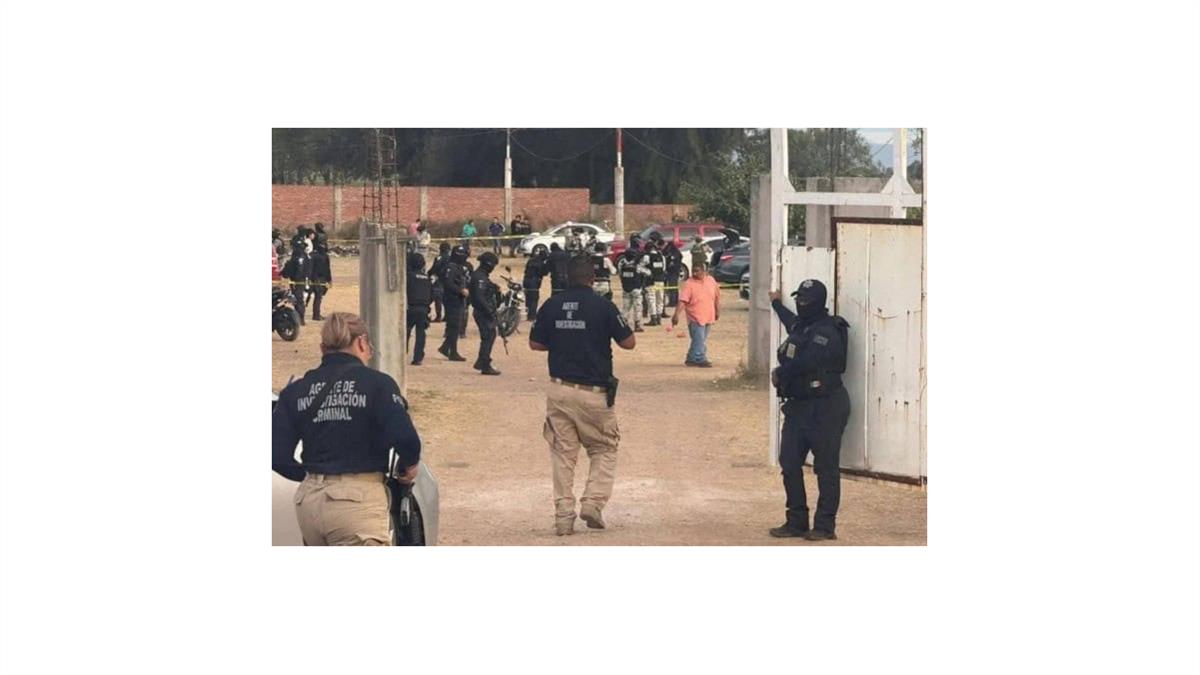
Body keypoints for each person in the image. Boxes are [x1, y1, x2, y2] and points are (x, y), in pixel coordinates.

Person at [272, 312, 422, 546]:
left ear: (322, 348)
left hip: (309, 501)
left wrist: (312, 476)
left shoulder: (296, 391)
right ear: (361, 343)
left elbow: (276, 455)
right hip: (356, 502)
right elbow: (406, 439)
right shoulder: (378, 385)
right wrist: (408, 466)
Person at [529, 256, 636, 535]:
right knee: (604, 448)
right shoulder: (604, 306)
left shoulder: (551, 305)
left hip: (559, 389)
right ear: (593, 279)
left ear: (566, 277)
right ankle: (593, 502)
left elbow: (535, 343)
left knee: (562, 455)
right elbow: (629, 342)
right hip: (594, 393)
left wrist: (562, 339)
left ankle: (563, 516)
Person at [768, 279, 851, 541]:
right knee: (789, 462)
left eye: (805, 300)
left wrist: (781, 372)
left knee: (826, 468)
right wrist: (776, 303)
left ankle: (825, 526)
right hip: (799, 407)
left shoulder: (827, 330)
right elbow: (790, 321)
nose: (800, 304)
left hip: (826, 406)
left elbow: (808, 360)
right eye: (798, 299)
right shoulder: (803, 326)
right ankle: (796, 521)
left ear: (817, 302)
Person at [670, 262, 720, 367]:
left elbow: (716, 297)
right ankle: (700, 358)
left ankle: (691, 358)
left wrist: (717, 310)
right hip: (695, 317)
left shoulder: (711, 281)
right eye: (693, 271)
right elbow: (683, 301)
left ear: (704, 271)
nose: (694, 273)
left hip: (709, 315)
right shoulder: (689, 284)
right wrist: (676, 314)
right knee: (699, 339)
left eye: (697, 271)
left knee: (700, 339)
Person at [469, 251, 502, 375]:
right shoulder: (479, 277)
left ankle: (482, 361)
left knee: (489, 336)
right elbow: (479, 297)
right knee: (488, 336)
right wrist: (489, 311)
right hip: (482, 312)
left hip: (484, 311)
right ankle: (484, 364)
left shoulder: (482, 276)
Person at [436, 245, 470, 362]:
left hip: (458, 300)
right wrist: (460, 290)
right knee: (454, 326)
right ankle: (452, 352)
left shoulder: (458, 267)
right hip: (452, 300)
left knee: (455, 326)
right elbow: (448, 283)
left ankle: (446, 348)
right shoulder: (451, 267)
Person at [406, 252, 433, 366]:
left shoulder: (408, 276)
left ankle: (402, 353)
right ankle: (418, 358)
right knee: (421, 333)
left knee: (405, 332)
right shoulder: (427, 278)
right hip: (423, 308)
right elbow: (431, 294)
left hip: (410, 307)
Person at [616, 246, 649, 333]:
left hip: (626, 289)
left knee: (625, 308)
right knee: (637, 308)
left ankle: (623, 325)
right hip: (636, 289)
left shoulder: (622, 265)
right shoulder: (637, 266)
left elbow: (620, 275)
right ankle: (637, 325)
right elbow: (648, 273)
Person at [280, 236, 311, 326]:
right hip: (303, 280)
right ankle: (299, 318)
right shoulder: (306, 256)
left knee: (298, 299)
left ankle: (300, 318)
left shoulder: (297, 257)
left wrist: (285, 272)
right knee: (299, 300)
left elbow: (290, 270)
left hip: (297, 281)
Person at [308, 234, 332, 321]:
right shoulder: (323, 256)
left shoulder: (312, 255)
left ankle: (316, 314)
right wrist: (329, 280)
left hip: (314, 278)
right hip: (319, 278)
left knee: (316, 297)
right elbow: (327, 269)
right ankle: (316, 315)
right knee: (318, 297)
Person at [643, 239, 666, 326]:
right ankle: (659, 319)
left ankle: (653, 319)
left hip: (651, 281)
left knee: (651, 300)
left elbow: (642, 267)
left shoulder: (647, 257)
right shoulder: (661, 256)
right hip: (660, 280)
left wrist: (647, 274)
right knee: (660, 299)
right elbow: (663, 268)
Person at [523, 246, 549, 320]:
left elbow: (526, 270)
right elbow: (544, 273)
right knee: (534, 299)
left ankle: (528, 314)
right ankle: (532, 316)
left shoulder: (530, 260)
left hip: (526, 280)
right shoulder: (541, 263)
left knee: (528, 298)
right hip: (533, 282)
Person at [428, 242, 452, 323]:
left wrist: (429, 274)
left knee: (437, 298)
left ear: (440, 249)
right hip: (449, 280)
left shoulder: (439, 257)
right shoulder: (451, 258)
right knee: (446, 299)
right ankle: (447, 316)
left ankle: (438, 316)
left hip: (440, 280)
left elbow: (435, 267)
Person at [662, 238, 683, 311]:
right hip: (673, 271)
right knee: (673, 287)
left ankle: (673, 302)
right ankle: (674, 301)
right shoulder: (674, 251)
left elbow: (673, 259)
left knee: (672, 287)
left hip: (673, 272)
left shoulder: (673, 252)